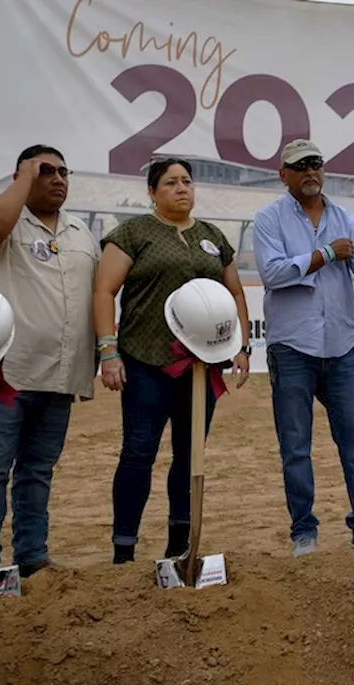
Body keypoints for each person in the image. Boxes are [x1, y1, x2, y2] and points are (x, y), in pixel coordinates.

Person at [93, 157, 252, 564]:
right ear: (152, 192)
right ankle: (123, 550)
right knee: (139, 452)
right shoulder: (132, 233)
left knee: (190, 455)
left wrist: (241, 344)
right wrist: (108, 351)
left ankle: (180, 545)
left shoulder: (213, 236)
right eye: (170, 183)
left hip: (202, 366)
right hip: (146, 360)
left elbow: (234, 292)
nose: (182, 188)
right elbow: (104, 290)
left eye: (186, 181)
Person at [0, 143, 99, 577]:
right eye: (47, 171)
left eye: (64, 171)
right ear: (23, 173)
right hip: (4, 375)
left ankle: (32, 559)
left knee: (37, 474)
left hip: (59, 378)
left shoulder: (81, 233)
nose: (59, 178)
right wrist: (24, 177)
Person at [253, 139, 354, 558]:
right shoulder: (268, 218)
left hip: (339, 345)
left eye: (316, 163)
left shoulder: (345, 217)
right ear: (284, 175)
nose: (311, 171)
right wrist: (326, 254)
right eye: (300, 166)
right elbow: (273, 273)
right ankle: (304, 531)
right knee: (295, 445)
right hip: (292, 347)